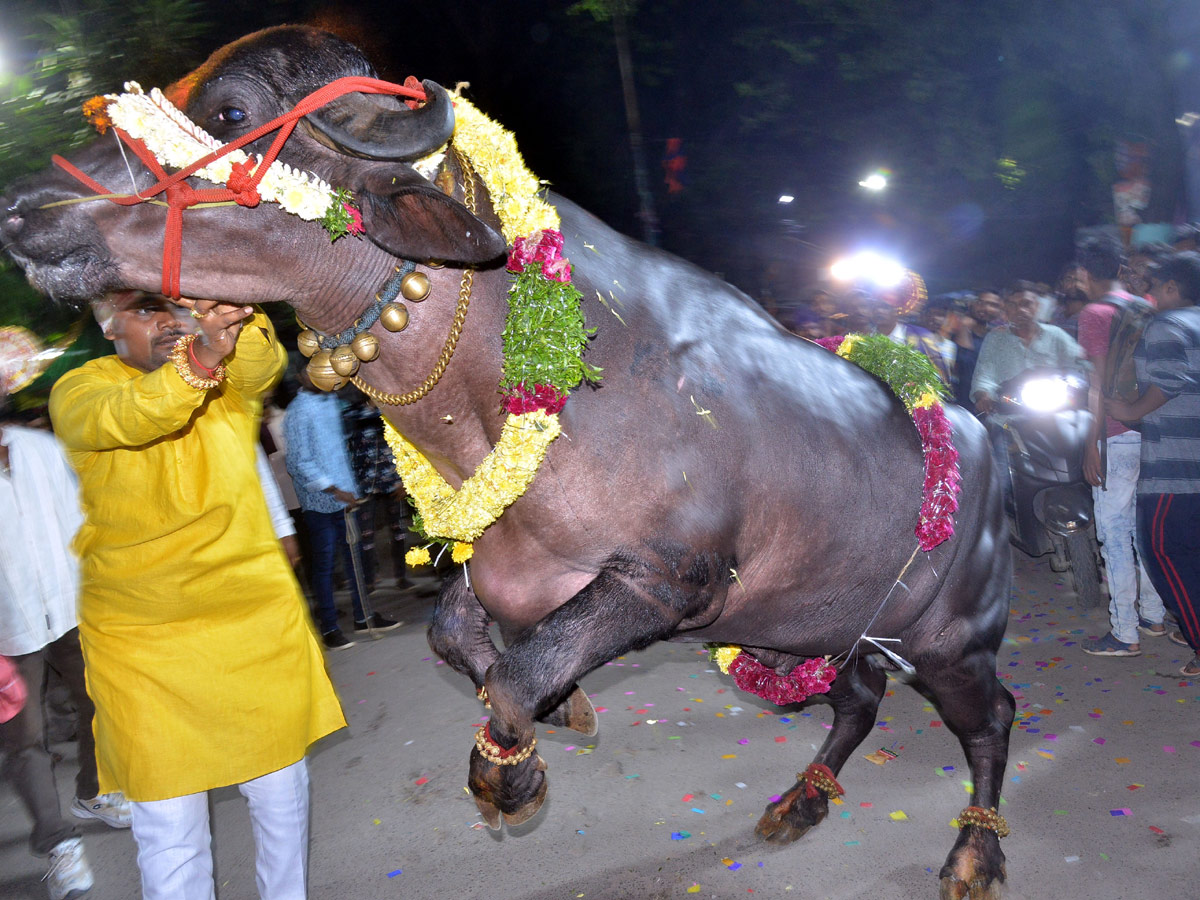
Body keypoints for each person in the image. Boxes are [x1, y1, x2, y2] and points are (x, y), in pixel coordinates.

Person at [48, 291, 346, 900]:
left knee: (280, 795)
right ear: (109, 327)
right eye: (142, 308)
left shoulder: (227, 376)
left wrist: (227, 302)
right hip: (143, 640)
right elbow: (129, 417)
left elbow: (263, 363)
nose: (165, 320)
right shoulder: (79, 391)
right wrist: (204, 353)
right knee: (170, 823)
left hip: (251, 619)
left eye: (173, 307)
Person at [2, 340, 132, 900]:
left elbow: (86, 519)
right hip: (7, 633)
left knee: (99, 702)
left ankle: (94, 790)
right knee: (24, 741)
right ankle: (58, 843)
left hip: (73, 606)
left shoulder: (39, 449)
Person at [1073, 235, 1167, 657]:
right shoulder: (1146, 306)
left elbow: (1098, 380)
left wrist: (1094, 441)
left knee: (1114, 533)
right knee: (1145, 529)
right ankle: (1153, 615)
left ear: (1084, 274)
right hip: (1153, 429)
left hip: (1116, 433)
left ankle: (1124, 631)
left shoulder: (1094, 313)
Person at [1108, 251, 1200, 676]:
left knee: (1162, 552)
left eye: (1155, 286)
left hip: (1176, 468)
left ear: (1170, 288)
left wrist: (1128, 410)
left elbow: (1169, 381)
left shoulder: (1169, 324)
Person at [285, 371, 399, 650]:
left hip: (346, 498)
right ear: (302, 376)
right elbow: (299, 462)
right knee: (324, 566)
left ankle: (364, 617)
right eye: (317, 373)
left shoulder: (330, 402)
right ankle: (330, 628)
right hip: (321, 503)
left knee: (355, 559)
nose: (325, 378)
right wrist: (334, 489)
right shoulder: (298, 411)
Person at [969, 283, 1085, 415]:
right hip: (1009, 411)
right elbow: (984, 376)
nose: (1020, 310)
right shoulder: (995, 338)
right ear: (1006, 309)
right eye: (1013, 305)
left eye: (1026, 304)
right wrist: (983, 396)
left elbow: (1080, 366)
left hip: (1055, 410)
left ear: (1037, 306)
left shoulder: (1055, 335)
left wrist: (1073, 382)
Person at [953, 289, 1005, 412]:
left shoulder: (997, 337)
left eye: (993, 305)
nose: (985, 308)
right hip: (951, 402)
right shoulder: (953, 328)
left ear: (999, 311)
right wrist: (963, 329)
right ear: (971, 304)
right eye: (980, 303)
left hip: (981, 406)